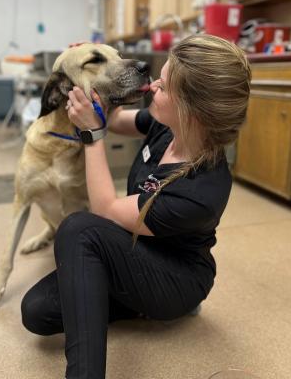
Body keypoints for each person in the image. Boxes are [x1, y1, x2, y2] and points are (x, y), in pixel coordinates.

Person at [21, 34, 251, 379]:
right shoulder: (167, 126)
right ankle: (127, 297)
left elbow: (104, 208)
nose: (154, 84)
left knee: (80, 228)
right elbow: (111, 120)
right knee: (37, 311)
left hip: (176, 279)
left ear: (193, 110)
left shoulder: (201, 190)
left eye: (166, 85)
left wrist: (91, 136)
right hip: (132, 250)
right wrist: (86, 78)